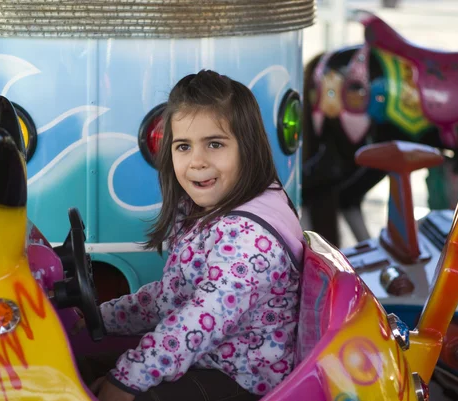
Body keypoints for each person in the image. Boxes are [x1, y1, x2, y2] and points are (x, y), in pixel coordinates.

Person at [78, 70, 304, 401]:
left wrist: (127, 380)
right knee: (74, 368)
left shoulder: (249, 236)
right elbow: (170, 298)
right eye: (183, 146)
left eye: (214, 144)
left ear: (249, 147)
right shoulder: (209, 213)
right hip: (207, 360)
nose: (196, 162)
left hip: (241, 381)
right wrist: (98, 318)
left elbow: (198, 321)